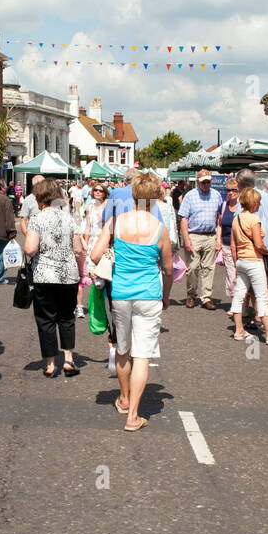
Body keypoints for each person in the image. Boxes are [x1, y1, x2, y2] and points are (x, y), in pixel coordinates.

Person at [92, 172, 172, 432]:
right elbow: (169, 269)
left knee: (122, 350)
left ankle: (124, 399)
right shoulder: (160, 229)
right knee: (143, 356)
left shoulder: (116, 222)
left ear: (135, 195)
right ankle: (133, 416)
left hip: (122, 294)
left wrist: (114, 253)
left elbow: (94, 256)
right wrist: (167, 295)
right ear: (156, 197)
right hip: (149, 294)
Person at [24, 177, 84, 377]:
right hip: (68, 275)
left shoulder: (37, 219)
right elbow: (78, 249)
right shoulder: (69, 218)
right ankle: (68, 360)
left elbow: (30, 249)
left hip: (45, 275)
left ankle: (50, 364)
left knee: (46, 320)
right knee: (67, 318)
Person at [228, 186, 268, 346]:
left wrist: (236, 261)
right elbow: (258, 244)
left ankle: (239, 329)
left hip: (241, 260)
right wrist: (267, 253)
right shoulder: (254, 220)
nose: (259, 205)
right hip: (254, 260)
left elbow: (233, 244)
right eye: (257, 202)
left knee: (240, 294)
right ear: (252, 202)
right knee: (262, 296)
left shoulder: (237, 218)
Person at [178, 169, 223, 309]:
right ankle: (191, 295)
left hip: (210, 235)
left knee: (209, 268)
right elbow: (183, 219)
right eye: (203, 182)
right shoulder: (190, 196)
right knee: (192, 268)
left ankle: (206, 298)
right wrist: (186, 239)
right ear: (197, 182)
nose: (206, 184)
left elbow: (219, 219)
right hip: (194, 235)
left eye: (208, 181)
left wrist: (218, 239)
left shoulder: (216, 195)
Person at [77, 182, 109, 317]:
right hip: (93, 240)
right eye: (95, 190)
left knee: (106, 269)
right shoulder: (89, 206)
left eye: (100, 191)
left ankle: (106, 301)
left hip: (105, 239)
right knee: (92, 270)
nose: (97, 192)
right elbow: (88, 226)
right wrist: (85, 241)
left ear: (105, 193)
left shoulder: (109, 205)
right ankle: (96, 301)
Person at [216, 179, 241, 302]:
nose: (231, 193)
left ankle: (243, 304)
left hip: (241, 246)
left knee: (241, 274)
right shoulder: (224, 205)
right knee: (231, 274)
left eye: (234, 190)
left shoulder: (242, 207)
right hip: (226, 244)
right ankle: (235, 302)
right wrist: (218, 241)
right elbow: (220, 224)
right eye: (228, 190)